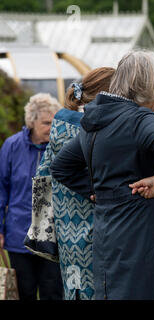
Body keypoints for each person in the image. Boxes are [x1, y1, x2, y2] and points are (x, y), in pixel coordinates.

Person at [50, 50, 154, 300]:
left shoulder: (97, 121)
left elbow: (60, 167)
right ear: (144, 84)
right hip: (147, 242)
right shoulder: (138, 119)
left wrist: (96, 192)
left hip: (108, 238)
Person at [35, 67, 115, 300]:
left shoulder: (59, 124)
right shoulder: (93, 128)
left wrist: (41, 227)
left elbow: (43, 174)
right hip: (96, 226)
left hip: (66, 229)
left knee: (74, 289)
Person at [0, 93, 63, 300]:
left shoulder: (61, 147)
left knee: (52, 292)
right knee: (24, 292)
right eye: (46, 123)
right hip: (18, 233)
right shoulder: (11, 146)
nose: (51, 128)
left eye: (54, 123)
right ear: (31, 121)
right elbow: (2, 188)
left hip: (53, 236)